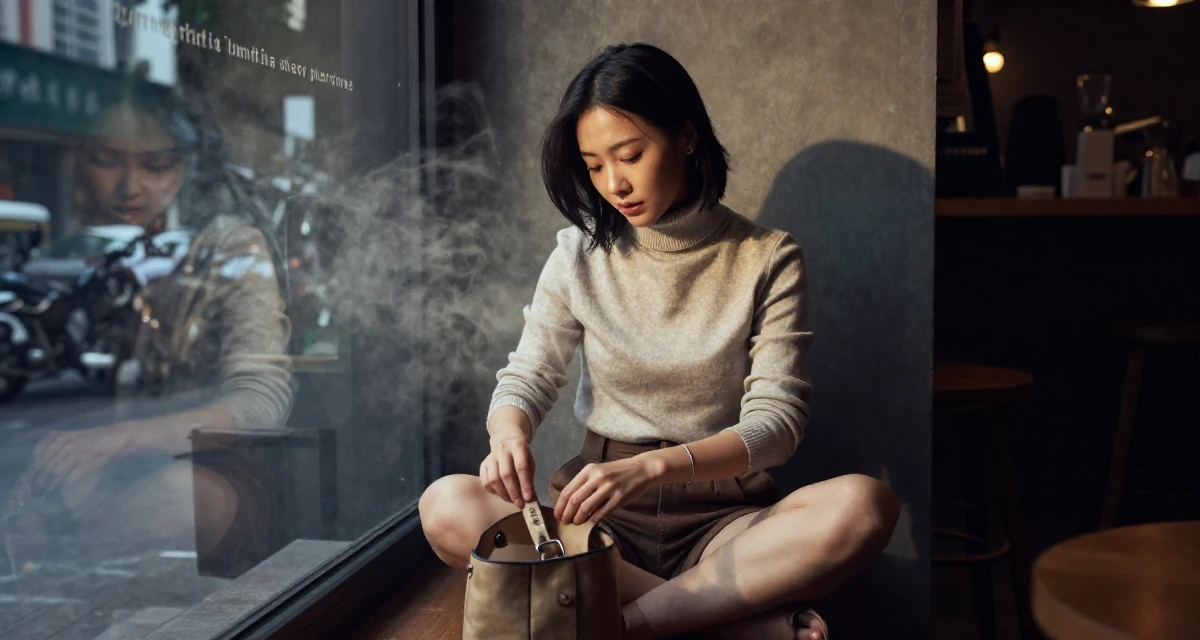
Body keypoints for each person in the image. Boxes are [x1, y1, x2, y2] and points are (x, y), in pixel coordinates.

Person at [419, 43, 900, 639]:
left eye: (631, 155)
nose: (614, 184)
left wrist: (654, 468)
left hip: (723, 519)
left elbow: (777, 425)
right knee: (447, 504)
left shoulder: (768, 257)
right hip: (594, 519)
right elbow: (529, 373)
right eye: (594, 166)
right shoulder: (577, 255)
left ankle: (626, 622)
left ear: (688, 137)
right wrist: (507, 432)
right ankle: (722, 625)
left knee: (863, 507)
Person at [7, 86, 293, 558]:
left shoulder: (228, 247)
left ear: (182, 170)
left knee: (171, 495)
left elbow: (260, 403)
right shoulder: (93, 249)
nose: (129, 186)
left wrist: (117, 440)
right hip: (123, 472)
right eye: (106, 160)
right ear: (82, 162)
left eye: (155, 164)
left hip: (219, 476)